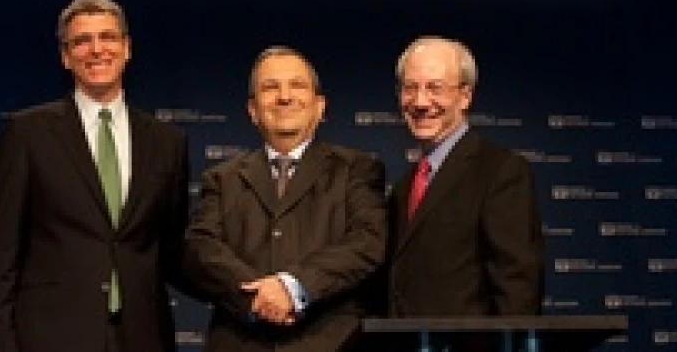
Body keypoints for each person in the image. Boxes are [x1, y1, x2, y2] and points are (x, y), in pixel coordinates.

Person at [0, 0, 190, 352]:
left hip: (141, 337)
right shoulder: (28, 133)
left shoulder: (167, 142)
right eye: (82, 41)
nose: (97, 50)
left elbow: (175, 253)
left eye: (108, 37)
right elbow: (1, 258)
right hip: (51, 338)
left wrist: (248, 288)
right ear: (66, 56)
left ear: (127, 48)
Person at [184, 46, 386, 352]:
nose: (284, 96)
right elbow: (201, 249)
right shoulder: (221, 179)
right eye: (270, 87)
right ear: (253, 110)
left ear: (320, 106)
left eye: (297, 85)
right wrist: (260, 297)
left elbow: (367, 243)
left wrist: (293, 287)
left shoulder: (357, 170)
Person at [385, 36, 543, 350]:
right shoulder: (405, 186)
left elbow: (517, 289)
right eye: (410, 87)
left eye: (435, 88)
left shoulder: (501, 172)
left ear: (465, 96)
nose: (420, 101)